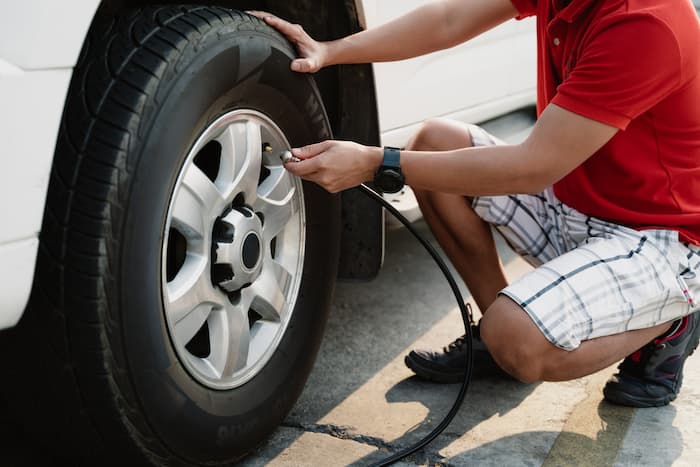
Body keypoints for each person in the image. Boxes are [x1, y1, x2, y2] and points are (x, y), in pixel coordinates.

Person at [251, 0, 700, 408]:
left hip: (656, 236)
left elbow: (532, 166)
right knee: (433, 143)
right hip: (573, 203)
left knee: (519, 340)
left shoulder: (647, 24)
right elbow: (448, 19)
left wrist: (375, 163)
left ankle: (670, 322)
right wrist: (331, 49)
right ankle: (495, 336)